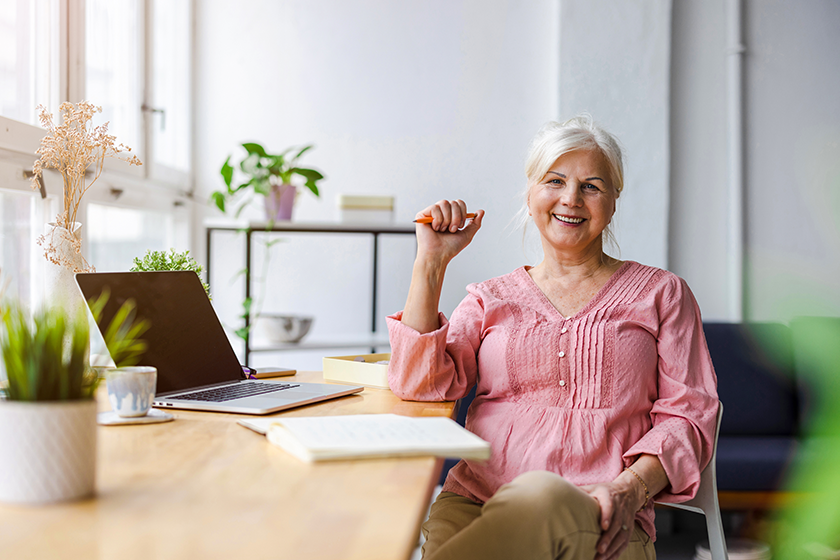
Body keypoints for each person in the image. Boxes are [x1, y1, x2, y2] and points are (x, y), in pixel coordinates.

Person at [386, 115, 719, 560]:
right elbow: (419, 385)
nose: (571, 199)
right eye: (555, 181)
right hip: (475, 506)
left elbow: (690, 417)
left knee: (541, 495)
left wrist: (628, 490)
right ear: (530, 194)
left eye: (592, 186)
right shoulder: (489, 298)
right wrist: (430, 263)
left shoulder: (663, 294)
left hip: (605, 518)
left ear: (614, 201)